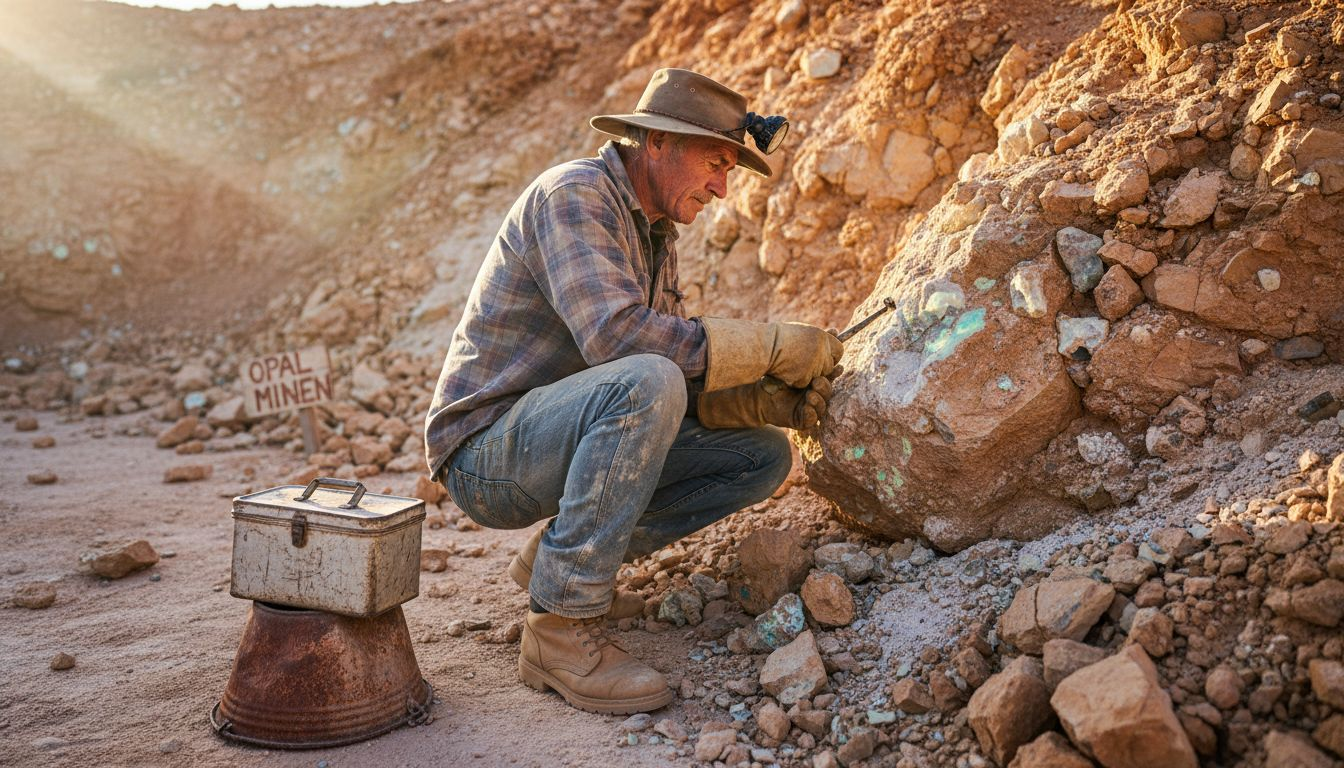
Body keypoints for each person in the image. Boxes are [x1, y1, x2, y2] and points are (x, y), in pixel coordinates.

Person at [423, 68, 843, 715]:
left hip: (556, 434)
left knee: (759, 457)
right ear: (655, 143)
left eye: (729, 169)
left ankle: (556, 564)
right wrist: (768, 345)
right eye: (714, 162)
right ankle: (558, 631)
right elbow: (620, 345)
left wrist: (763, 400)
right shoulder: (574, 196)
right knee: (646, 377)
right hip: (485, 456)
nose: (722, 187)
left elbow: (669, 374)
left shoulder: (654, 235)